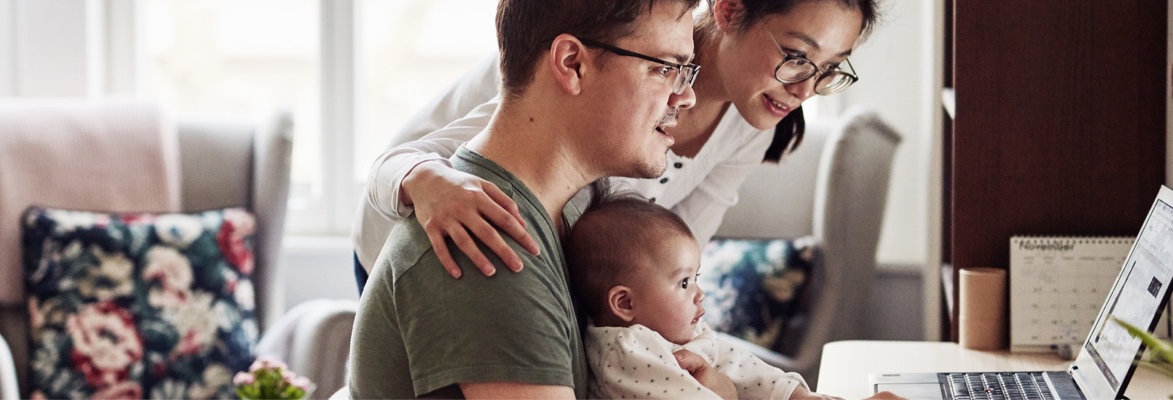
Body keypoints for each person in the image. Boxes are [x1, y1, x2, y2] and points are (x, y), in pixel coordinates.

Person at [352, 0, 881, 292]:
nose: (806, 88)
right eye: (796, 54)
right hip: (403, 230)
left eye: (830, 69)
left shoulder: (751, 118)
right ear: (728, 9)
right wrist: (427, 182)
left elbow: (674, 255)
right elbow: (393, 163)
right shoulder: (607, 63)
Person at [347, 0, 702, 397]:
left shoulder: (572, 209)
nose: (685, 98)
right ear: (571, 64)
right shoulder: (487, 239)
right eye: (665, 69)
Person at [567, 188, 834, 399]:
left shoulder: (672, 332)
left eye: (696, 278)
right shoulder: (626, 351)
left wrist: (796, 395)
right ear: (625, 303)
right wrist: (727, 393)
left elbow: (736, 363)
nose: (700, 294)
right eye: (684, 283)